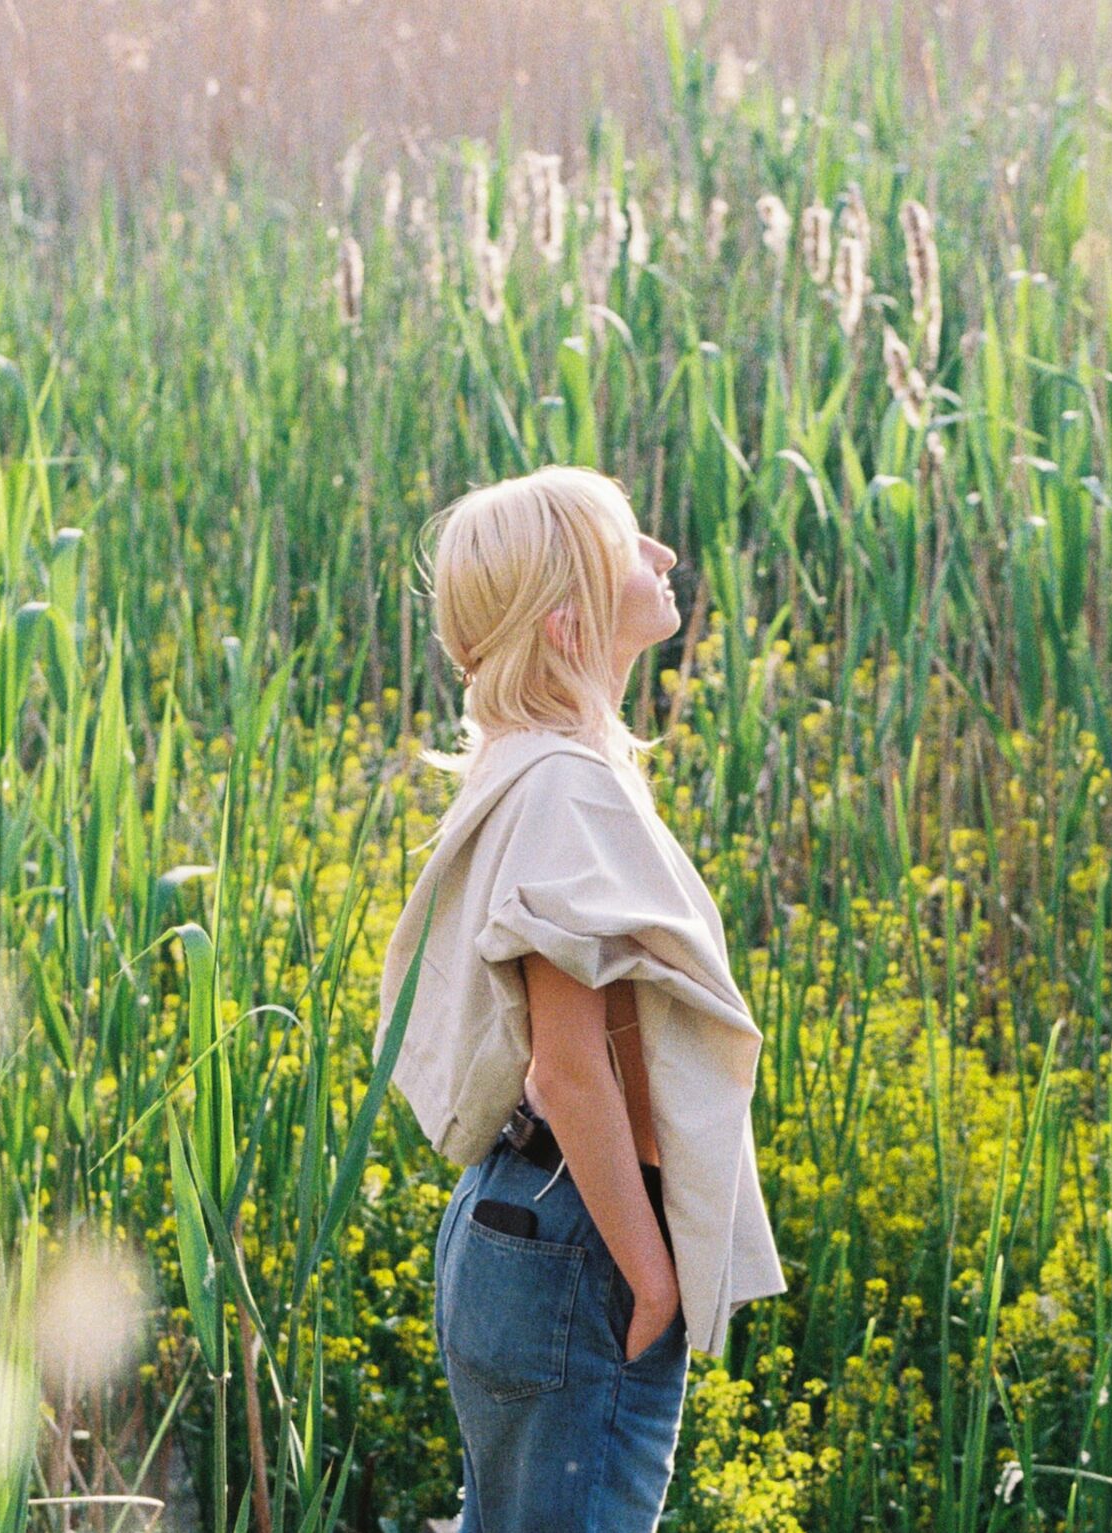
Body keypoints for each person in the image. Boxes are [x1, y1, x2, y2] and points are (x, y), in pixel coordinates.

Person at [374, 465, 786, 1531]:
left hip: (531, 1217)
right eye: (630, 542)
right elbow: (566, 1064)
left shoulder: (533, 764)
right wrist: (652, 1275)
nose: (662, 555)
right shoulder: (566, 786)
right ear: (566, 621)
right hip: (580, 1237)